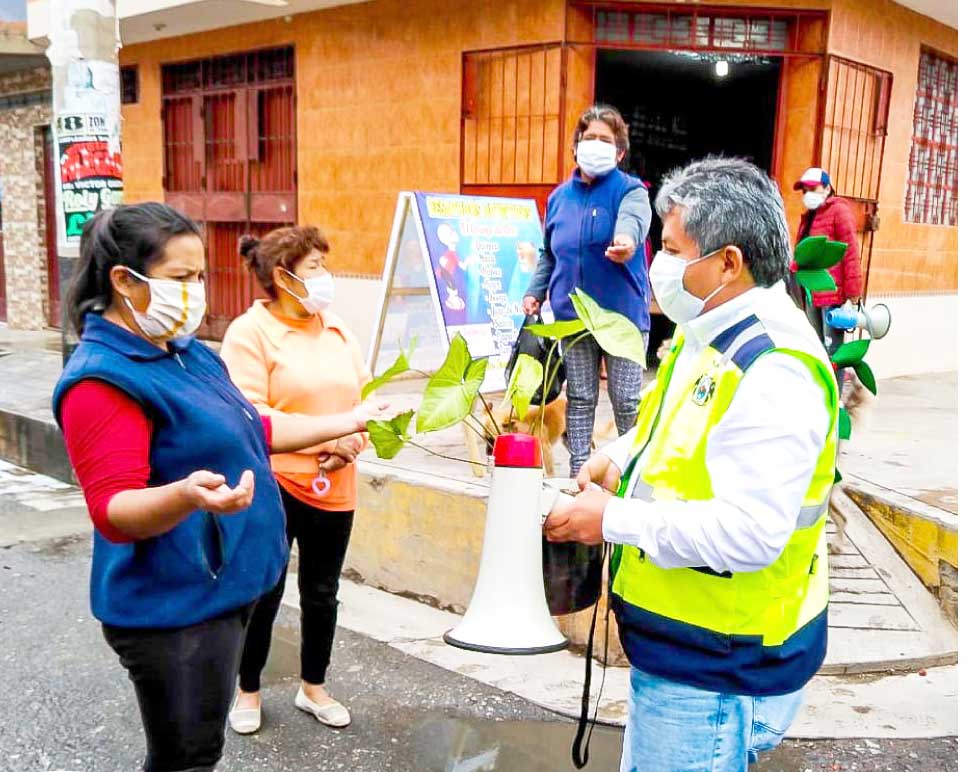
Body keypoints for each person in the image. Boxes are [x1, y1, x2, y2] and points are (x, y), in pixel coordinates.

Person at [53, 203, 387, 772]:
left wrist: (348, 421)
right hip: (174, 608)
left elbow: (254, 425)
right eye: (181, 279)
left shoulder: (185, 355)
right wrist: (186, 495)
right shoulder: (101, 381)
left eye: (201, 276)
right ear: (123, 281)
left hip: (225, 589)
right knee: (188, 757)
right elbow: (114, 509)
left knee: (199, 748)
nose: (196, 291)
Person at [543, 158, 839, 771]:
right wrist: (612, 458)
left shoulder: (771, 366)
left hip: (718, 668)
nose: (660, 264)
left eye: (673, 249)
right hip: (687, 651)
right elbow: (675, 434)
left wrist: (612, 520)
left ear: (728, 263)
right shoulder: (708, 333)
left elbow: (752, 534)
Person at [220, 226, 369, 734]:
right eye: (314, 268)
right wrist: (321, 444)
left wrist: (351, 443)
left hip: (337, 483)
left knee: (322, 592)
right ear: (283, 276)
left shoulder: (337, 329)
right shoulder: (250, 333)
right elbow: (249, 416)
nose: (325, 277)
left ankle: (315, 687)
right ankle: (247, 689)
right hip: (275, 483)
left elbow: (362, 406)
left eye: (326, 266)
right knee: (265, 589)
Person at [523, 104, 653, 475]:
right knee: (579, 398)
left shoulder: (631, 191)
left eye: (605, 140)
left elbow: (633, 221)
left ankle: (634, 472)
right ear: (577, 146)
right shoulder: (559, 197)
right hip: (572, 315)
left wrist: (626, 241)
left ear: (620, 151)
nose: (596, 144)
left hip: (621, 316)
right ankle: (579, 472)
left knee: (627, 400)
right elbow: (551, 251)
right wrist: (537, 289)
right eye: (589, 138)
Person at [792, 166, 863, 367]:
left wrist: (852, 296)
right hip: (812, 291)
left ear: (827, 187)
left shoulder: (839, 211)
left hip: (832, 293)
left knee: (834, 352)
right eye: (805, 191)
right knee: (815, 346)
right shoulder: (810, 216)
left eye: (812, 189)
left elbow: (850, 253)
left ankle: (835, 396)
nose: (807, 195)